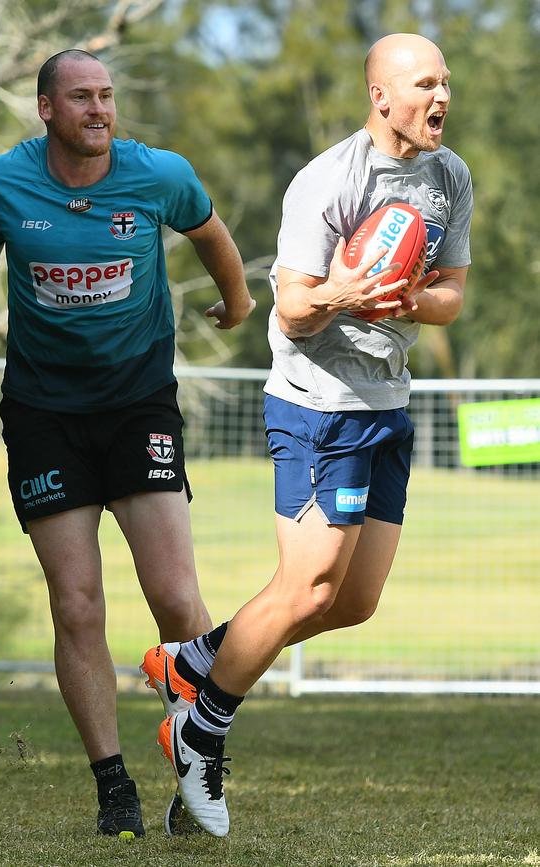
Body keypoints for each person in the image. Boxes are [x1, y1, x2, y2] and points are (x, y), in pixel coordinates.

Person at [141, 32, 473, 836]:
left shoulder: (450, 175)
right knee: (309, 585)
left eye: (446, 83)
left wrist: (406, 301)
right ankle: (200, 727)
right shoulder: (327, 180)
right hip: (318, 402)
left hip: (386, 400)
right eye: (426, 84)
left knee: (353, 602)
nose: (441, 99)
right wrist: (347, 291)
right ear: (381, 95)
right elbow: (288, 308)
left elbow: (453, 293)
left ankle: (192, 660)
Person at [0, 49, 255, 840]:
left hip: (139, 404)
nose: (100, 110)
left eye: (107, 96)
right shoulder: (1, 184)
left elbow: (210, 230)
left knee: (177, 598)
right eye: (82, 98)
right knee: (77, 604)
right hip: (43, 414)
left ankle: (197, 763)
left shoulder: (157, 175)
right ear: (46, 109)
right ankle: (115, 791)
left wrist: (238, 299)